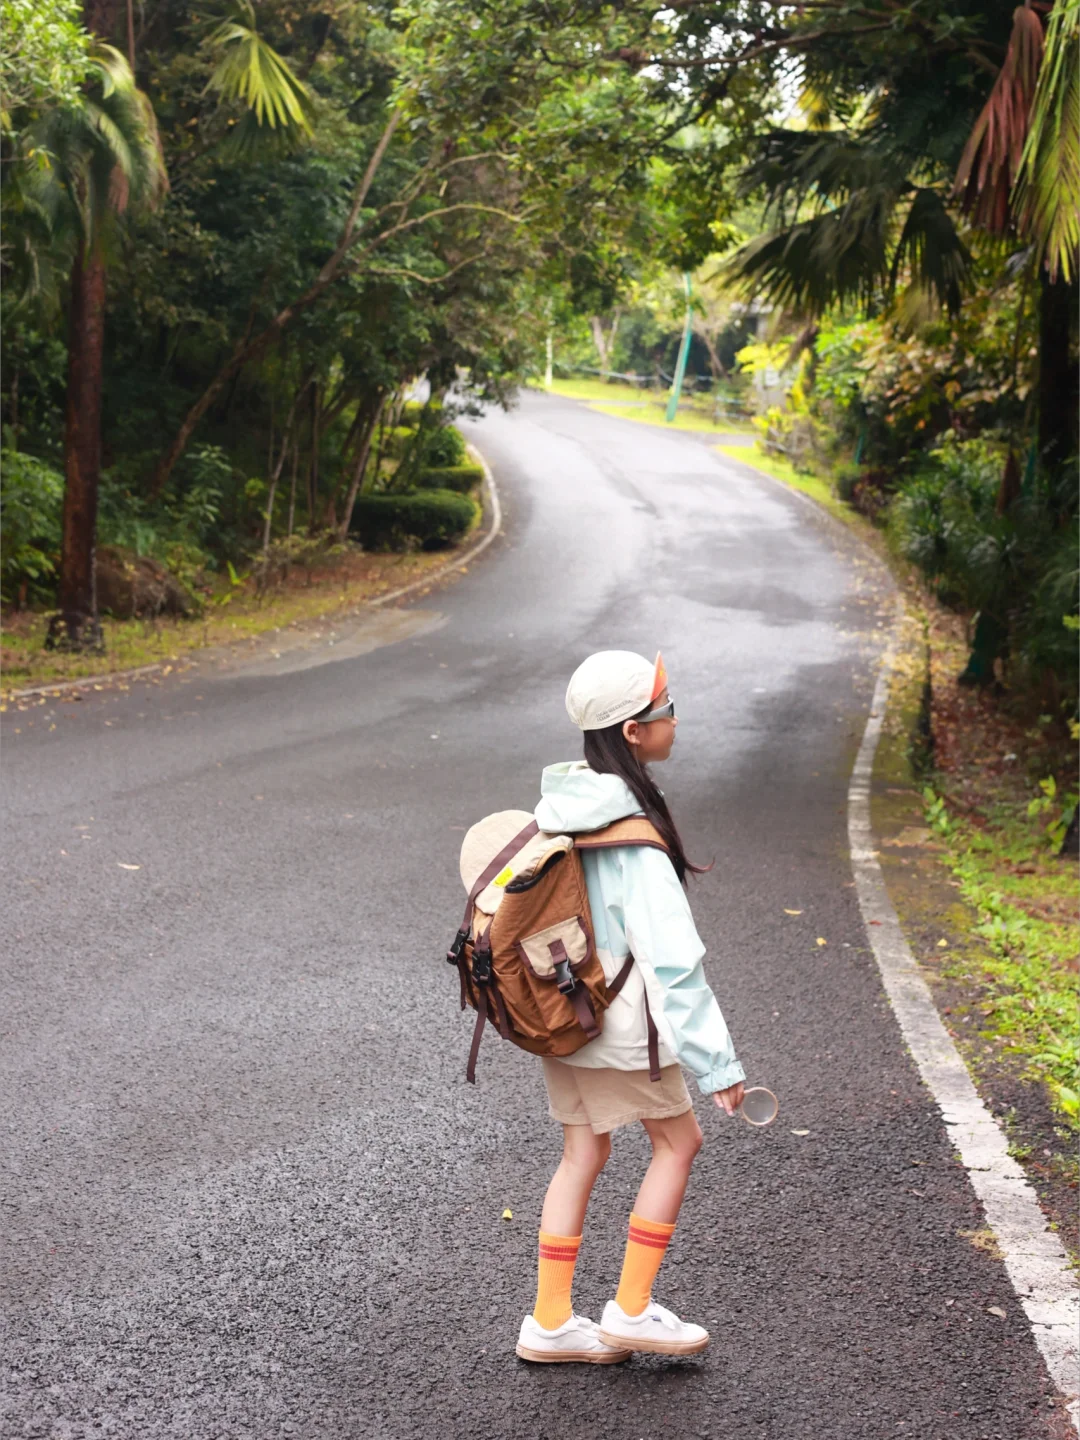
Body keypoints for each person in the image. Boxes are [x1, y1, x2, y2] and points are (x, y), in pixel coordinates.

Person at [515, 650, 746, 1366]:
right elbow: (675, 967)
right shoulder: (634, 841)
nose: (675, 717)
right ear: (635, 732)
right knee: (679, 1144)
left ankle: (551, 1322)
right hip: (620, 1033)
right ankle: (634, 1309)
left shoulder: (557, 814)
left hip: (562, 1024)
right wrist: (719, 1065)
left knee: (584, 1149)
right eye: (666, 707)